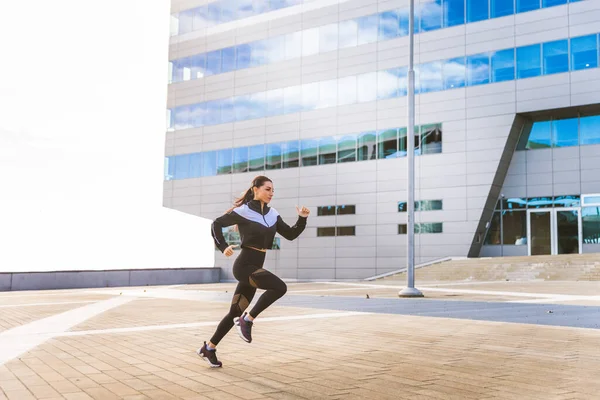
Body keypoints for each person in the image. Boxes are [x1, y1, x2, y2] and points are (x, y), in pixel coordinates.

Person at [197, 175, 310, 368]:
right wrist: (223, 246)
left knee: (234, 312)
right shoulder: (244, 211)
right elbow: (215, 224)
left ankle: (209, 347)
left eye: (273, 190)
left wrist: (302, 219)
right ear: (255, 189)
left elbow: (290, 235)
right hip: (244, 266)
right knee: (279, 287)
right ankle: (247, 320)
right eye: (267, 189)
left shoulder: (273, 214)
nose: (271, 193)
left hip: (255, 267)